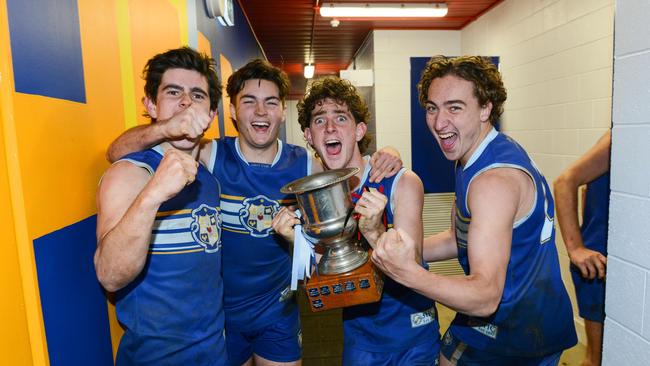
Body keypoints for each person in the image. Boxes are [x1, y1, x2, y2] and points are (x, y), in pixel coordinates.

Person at [106, 59, 401, 366]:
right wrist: (165, 127)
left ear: (280, 111)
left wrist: (387, 155)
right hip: (223, 318)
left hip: (279, 312)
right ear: (231, 111)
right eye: (249, 101)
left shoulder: (304, 164)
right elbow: (118, 151)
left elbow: (349, 166)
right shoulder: (210, 155)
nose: (261, 111)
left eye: (270, 102)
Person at [371, 55, 578, 365]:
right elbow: (461, 237)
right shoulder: (477, 154)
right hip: (532, 315)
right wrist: (400, 252)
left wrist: (407, 272)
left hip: (515, 327)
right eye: (432, 108)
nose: (439, 123)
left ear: (486, 108)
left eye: (454, 107)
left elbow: (484, 295)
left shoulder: (492, 182)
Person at [273, 77, 440, 366]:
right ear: (309, 135)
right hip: (358, 338)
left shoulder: (401, 182)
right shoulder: (312, 195)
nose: (330, 128)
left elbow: (412, 263)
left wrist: (376, 233)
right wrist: (295, 242)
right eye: (319, 120)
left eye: (341, 117)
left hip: (411, 333)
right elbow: (322, 275)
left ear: (359, 130)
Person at [94, 47, 227, 365]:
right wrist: (153, 194)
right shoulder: (129, 173)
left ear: (210, 114)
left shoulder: (210, 180)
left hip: (215, 353)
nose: (185, 102)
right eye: (173, 92)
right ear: (151, 105)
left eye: (198, 95)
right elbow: (110, 276)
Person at [554, 130, 611, 366]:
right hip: (596, 265)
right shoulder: (617, 138)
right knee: (595, 358)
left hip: (609, 257)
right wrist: (576, 247)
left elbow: (590, 191)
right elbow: (564, 182)